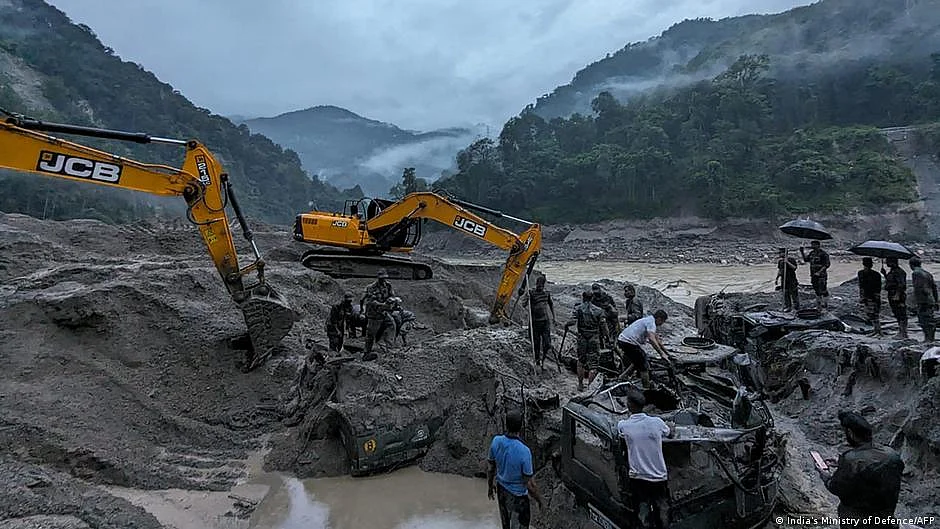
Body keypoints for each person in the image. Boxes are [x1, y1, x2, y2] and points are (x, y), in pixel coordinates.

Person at [817, 411, 904, 528]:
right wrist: (842, 465)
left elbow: (835, 487)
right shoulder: (891, 454)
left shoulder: (851, 459)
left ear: (850, 433)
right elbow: (872, 469)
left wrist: (825, 475)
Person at [618, 392, 672, 529]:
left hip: (639, 477)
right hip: (659, 476)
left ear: (629, 405)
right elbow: (669, 432)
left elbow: (619, 435)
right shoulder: (657, 422)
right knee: (663, 510)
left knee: (643, 511)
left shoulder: (624, 426)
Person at [487, 409, 543, 529]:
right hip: (518, 499)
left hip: (501, 491)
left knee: (506, 525)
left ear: (506, 424)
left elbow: (491, 468)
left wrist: (490, 486)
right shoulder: (524, 451)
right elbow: (529, 484)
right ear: (521, 427)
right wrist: (539, 500)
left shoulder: (496, 441)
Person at [616, 310, 672, 389]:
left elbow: (657, 340)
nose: (662, 324)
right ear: (659, 319)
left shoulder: (649, 319)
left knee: (638, 360)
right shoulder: (651, 323)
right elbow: (651, 339)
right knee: (644, 365)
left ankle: (622, 376)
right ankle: (646, 388)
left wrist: (667, 353)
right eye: (662, 322)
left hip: (623, 339)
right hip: (628, 342)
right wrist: (661, 354)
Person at [565, 291, 609, 391]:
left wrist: (566, 325)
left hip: (582, 337)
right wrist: (607, 337)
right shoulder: (599, 310)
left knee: (581, 361)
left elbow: (572, 321)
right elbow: (604, 326)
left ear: (583, 297)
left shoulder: (578, 309)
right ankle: (590, 387)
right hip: (594, 338)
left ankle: (580, 384)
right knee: (593, 364)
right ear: (592, 298)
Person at [362, 268, 396, 361]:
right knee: (371, 334)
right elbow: (371, 301)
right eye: (381, 278)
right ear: (378, 278)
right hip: (374, 314)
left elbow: (391, 295)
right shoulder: (371, 287)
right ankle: (366, 353)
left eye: (384, 278)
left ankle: (389, 349)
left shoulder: (388, 285)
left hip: (384, 312)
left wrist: (393, 300)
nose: (383, 280)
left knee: (391, 325)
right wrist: (383, 305)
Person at [521, 275, 555, 366]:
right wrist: (527, 298)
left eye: (541, 286)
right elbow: (523, 304)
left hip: (545, 321)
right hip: (534, 322)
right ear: (536, 284)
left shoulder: (546, 294)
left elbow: (551, 304)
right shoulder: (531, 293)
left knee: (547, 343)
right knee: (536, 343)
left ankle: (543, 359)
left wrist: (554, 317)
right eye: (538, 285)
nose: (539, 287)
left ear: (543, 285)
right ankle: (537, 360)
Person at [910, 256, 937, 343]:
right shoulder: (927, 273)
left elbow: (918, 288)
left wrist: (915, 301)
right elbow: (934, 287)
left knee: (924, 320)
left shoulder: (916, 273)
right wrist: (936, 300)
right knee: (930, 319)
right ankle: (930, 338)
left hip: (923, 300)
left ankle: (928, 339)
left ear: (911, 265)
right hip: (930, 299)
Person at [882, 257, 908, 339]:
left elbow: (901, 284)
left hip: (897, 295)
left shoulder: (899, 272)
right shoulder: (892, 272)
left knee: (901, 313)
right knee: (896, 313)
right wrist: (885, 274)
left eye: (888, 262)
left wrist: (897, 294)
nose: (886, 263)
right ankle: (901, 331)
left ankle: (903, 332)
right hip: (892, 294)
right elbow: (891, 282)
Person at [801, 240, 831, 311]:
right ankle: (819, 305)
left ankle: (825, 303)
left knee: (823, 289)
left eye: (813, 245)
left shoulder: (823, 254)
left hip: (821, 275)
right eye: (812, 244)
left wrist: (819, 272)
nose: (812, 246)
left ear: (818, 245)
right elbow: (806, 260)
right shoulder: (812, 253)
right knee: (816, 290)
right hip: (813, 275)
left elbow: (827, 265)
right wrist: (802, 252)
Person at [858, 257, 882, 335]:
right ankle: (877, 330)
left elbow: (861, 286)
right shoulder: (876, 274)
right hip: (871, 296)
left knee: (873, 314)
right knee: (873, 314)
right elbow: (879, 287)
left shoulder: (861, 273)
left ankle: (877, 330)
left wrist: (861, 296)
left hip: (870, 296)